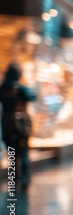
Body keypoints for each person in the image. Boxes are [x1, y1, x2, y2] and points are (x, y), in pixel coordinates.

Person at [0, 62, 37, 191]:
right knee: (24, 152)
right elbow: (32, 96)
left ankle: (13, 179)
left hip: (6, 123)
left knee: (11, 153)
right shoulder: (20, 88)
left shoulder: (3, 88)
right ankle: (25, 178)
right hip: (20, 123)